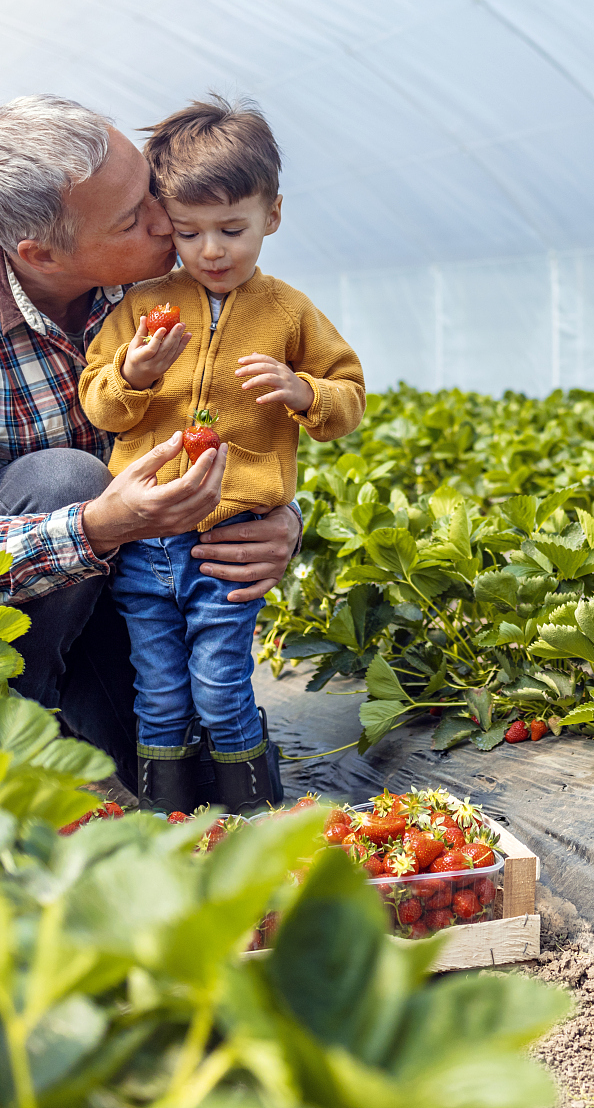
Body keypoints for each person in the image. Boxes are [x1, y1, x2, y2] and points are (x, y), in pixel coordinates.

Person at [0, 95, 304, 790]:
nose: (169, 222)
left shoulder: (175, 277)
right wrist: (100, 524)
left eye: (151, 190)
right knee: (69, 476)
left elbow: (254, 411)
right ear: (41, 251)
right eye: (134, 218)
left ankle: (102, 715)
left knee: (206, 781)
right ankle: (3, 735)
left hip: (134, 576)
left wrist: (281, 519)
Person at [80, 97, 364, 813]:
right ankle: (169, 818)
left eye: (232, 229)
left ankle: (251, 813)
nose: (211, 250)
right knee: (161, 688)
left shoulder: (289, 312)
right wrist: (135, 375)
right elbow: (98, 401)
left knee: (219, 681)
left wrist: (303, 391)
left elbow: (349, 397)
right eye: (188, 232)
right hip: (146, 542)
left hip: (229, 540)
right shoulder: (143, 307)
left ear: (272, 213)